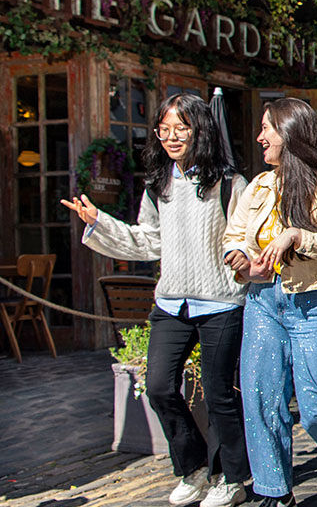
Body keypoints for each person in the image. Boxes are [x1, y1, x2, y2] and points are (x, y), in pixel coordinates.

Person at [64, 94, 251, 507]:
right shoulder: (159, 184)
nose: (170, 137)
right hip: (171, 303)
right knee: (159, 387)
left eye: (180, 129)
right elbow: (147, 241)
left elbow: (250, 238)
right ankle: (194, 468)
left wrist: (246, 257)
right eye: (163, 130)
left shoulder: (230, 184)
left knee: (220, 395)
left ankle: (232, 478)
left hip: (221, 302)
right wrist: (101, 224)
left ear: (199, 130)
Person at [221, 98, 317, 506]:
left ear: (291, 133)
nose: (259, 138)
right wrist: (238, 261)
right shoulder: (257, 186)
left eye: (267, 129)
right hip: (263, 302)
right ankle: (276, 491)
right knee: (260, 396)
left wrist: (297, 236)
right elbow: (233, 237)